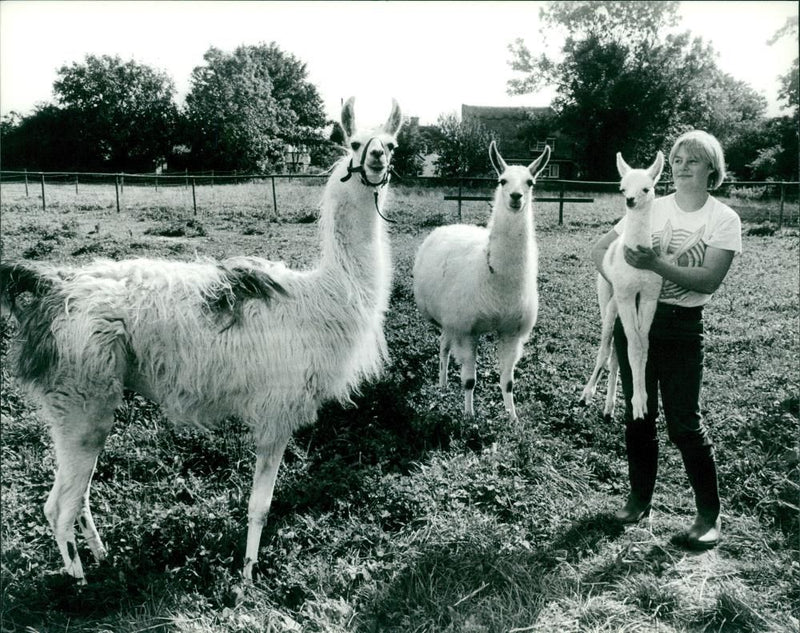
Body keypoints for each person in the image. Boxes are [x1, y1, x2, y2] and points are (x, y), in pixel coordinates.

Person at [590, 130, 742, 549]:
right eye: (676, 158)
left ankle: (708, 515)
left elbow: (709, 278)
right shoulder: (648, 205)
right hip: (635, 321)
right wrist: (625, 284)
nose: (681, 166)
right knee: (638, 415)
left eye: (693, 159)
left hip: (681, 326)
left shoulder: (723, 219)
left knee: (685, 423)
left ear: (712, 168)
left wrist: (655, 264)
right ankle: (639, 500)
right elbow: (599, 250)